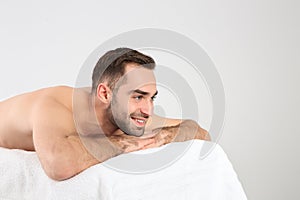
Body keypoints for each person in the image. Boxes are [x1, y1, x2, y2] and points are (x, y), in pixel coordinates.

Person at [0, 47, 210, 181]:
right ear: (105, 93)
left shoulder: (130, 113)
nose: (148, 110)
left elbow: (197, 131)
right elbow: (58, 165)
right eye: (138, 96)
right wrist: (128, 143)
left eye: (151, 98)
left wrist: (161, 136)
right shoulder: (54, 106)